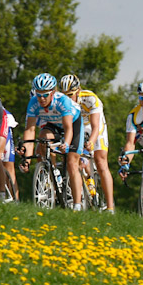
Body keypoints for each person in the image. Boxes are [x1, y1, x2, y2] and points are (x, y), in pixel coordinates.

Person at [20, 73, 86, 210]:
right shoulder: (33, 103)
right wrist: (26, 157)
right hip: (54, 125)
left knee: (72, 162)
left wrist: (66, 144)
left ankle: (77, 205)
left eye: (45, 95)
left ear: (53, 92)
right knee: (42, 138)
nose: (42, 98)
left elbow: (68, 129)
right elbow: (30, 131)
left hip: (72, 124)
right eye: (39, 95)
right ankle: (53, 171)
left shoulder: (63, 101)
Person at [59, 74, 114, 212]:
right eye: (65, 95)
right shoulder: (62, 102)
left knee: (100, 162)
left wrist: (91, 141)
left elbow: (96, 126)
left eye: (70, 94)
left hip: (94, 126)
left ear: (78, 91)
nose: (68, 98)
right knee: (72, 159)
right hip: (77, 127)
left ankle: (110, 207)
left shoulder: (90, 99)